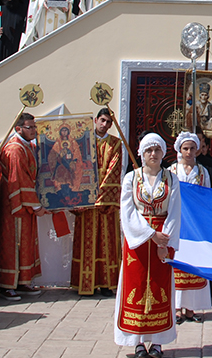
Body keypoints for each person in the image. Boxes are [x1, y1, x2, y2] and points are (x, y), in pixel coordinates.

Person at [116, 133, 180, 358]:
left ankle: (158, 342)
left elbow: (174, 213)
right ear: (142, 154)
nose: (153, 154)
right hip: (138, 241)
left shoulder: (171, 179)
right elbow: (128, 211)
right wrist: (149, 234)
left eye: (157, 150)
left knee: (160, 287)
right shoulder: (131, 179)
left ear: (163, 153)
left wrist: (165, 242)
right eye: (148, 150)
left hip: (163, 238)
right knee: (137, 286)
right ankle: (138, 342)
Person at [70, 108, 122, 297]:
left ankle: (107, 283)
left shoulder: (115, 144)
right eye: (102, 120)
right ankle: (86, 283)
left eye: (108, 122)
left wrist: (100, 197)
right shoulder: (81, 142)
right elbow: (73, 169)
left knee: (107, 242)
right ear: (95, 120)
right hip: (85, 202)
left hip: (104, 205)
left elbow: (113, 171)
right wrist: (80, 196)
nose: (105, 125)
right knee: (87, 242)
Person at [0, 112, 45, 301]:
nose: (33, 130)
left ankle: (22, 281)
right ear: (18, 129)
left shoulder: (28, 146)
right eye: (29, 127)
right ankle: (7, 284)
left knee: (24, 243)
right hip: (14, 205)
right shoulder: (15, 149)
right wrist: (37, 205)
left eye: (34, 127)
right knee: (12, 243)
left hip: (25, 203)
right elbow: (19, 180)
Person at [169, 132, 212, 324]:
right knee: (178, 266)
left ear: (198, 150)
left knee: (194, 266)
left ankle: (191, 308)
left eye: (192, 148)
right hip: (178, 225)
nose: (188, 152)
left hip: (195, 226)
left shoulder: (202, 172)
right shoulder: (171, 171)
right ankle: (177, 308)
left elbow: (207, 196)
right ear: (179, 149)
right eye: (185, 148)